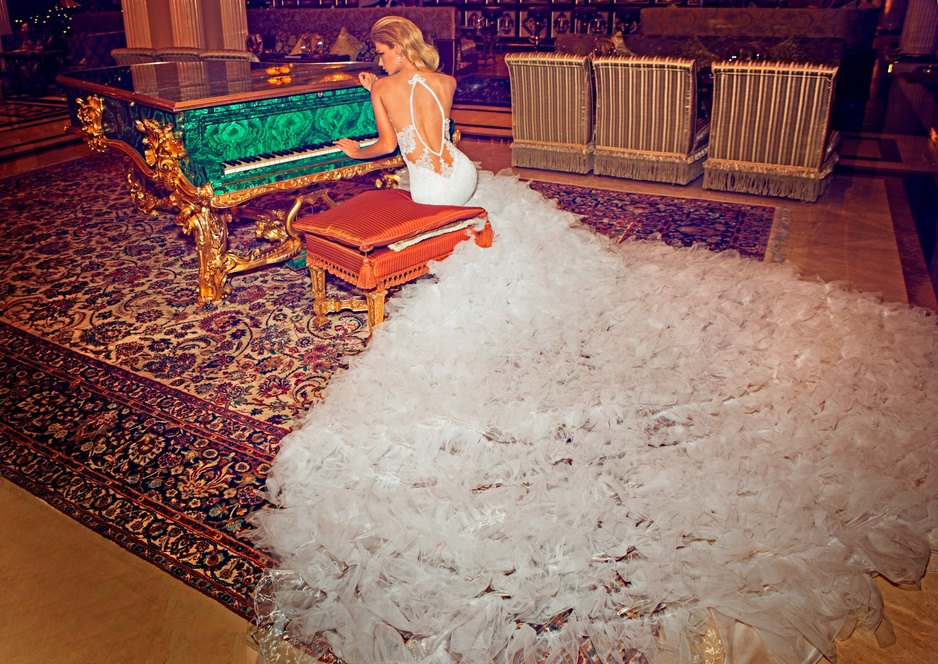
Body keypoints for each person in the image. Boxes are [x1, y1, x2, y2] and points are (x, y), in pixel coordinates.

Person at [333, 16, 478, 206]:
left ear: (399, 49)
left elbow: (387, 145)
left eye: (382, 53)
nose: (380, 62)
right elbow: (420, 104)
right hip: (464, 175)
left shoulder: (382, 87)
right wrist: (378, 89)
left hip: (431, 190)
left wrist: (356, 153)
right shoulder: (448, 81)